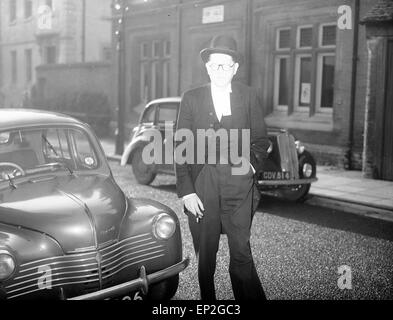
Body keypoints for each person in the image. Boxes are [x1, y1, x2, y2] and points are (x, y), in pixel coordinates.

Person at [175, 34, 271, 300]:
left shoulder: (248, 96)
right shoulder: (191, 98)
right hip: (203, 183)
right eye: (214, 64)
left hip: (239, 182)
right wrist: (187, 191)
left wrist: (250, 167)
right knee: (206, 255)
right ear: (207, 67)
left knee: (241, 251)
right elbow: (181, 146)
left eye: (226, 65)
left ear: (235, 68)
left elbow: (261, 141)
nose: (220, 70)